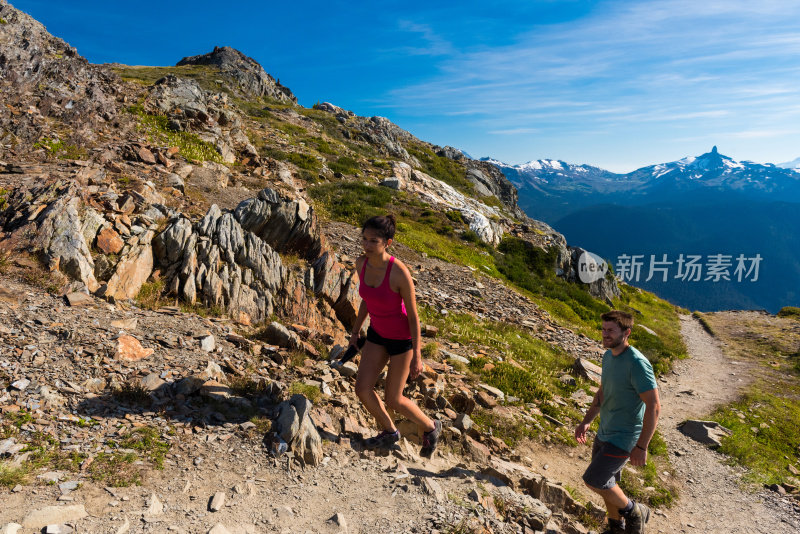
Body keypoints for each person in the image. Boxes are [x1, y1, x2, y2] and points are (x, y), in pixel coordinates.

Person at [350, 214, 442, 456]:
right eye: (364, 239)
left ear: (387, 243)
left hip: (402, 341)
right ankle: (390, 432)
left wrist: (417, 356)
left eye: (374, 241)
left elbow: (413, 316)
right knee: (362, 389)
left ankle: (431, 428)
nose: (367, 246)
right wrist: (356, 329)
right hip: (377, 334)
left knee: (394, 399)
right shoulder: (361, 264)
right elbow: (367, 299)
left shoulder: (399, 272)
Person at [574, 311, 661, 534]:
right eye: (603, 329)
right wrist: (586, 422)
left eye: (611, 330)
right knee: (608, 485)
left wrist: (642, 446)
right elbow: (603, 392)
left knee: (594, 480)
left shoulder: (637, 363)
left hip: (624, 436)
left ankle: (635, 510)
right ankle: (617, 527)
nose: (605, 334)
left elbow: (654, 406)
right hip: (605, 431)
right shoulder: (608, 356)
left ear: (626, 332)